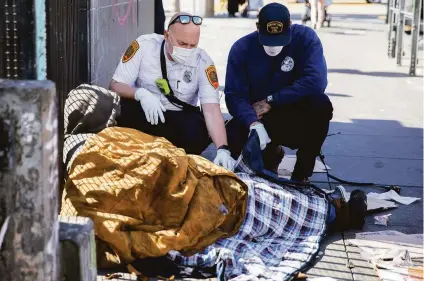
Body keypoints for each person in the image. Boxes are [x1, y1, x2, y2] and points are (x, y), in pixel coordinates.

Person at [110, 12, 236, 170]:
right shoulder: (144, 46)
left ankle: (162, 153)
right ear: (166, 35)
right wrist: (139, 94)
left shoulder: (203, 62)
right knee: (122, 110)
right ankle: (147, 149)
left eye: (193, 45)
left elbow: (211, 108)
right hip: (145, 114)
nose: (188, 49)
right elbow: (116, 85)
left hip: (178, 120)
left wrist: (223, 149)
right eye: (182, 43)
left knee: (198, 131)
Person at [224, 2, 333, 182]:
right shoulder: (241, 49)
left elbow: (316, 82)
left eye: (280, 39)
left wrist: (272, 100)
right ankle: (270, 155)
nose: (274, 47)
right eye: (268, 39)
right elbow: (234, 95)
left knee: (321, 105)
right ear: (258, 27)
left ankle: (301, 174)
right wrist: (252, 122)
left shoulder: (305, 38)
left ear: (290, 26)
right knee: (233, 139)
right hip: (259, 115)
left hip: (294, 111)